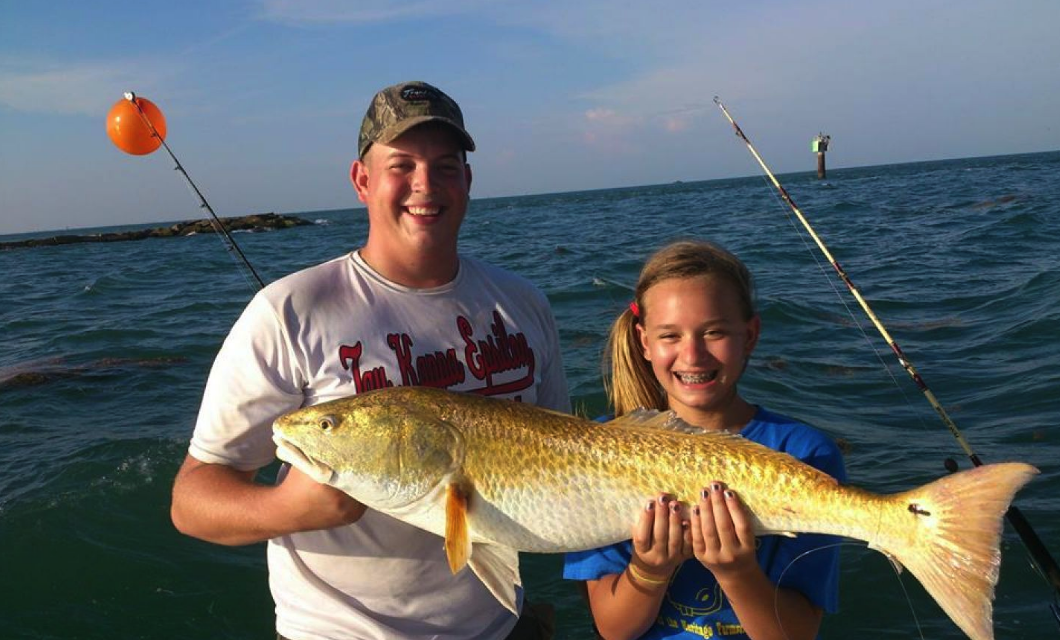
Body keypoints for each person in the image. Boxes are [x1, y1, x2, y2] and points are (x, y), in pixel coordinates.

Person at [170, 81, 570, 640]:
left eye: (446, 166)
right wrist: (289, 509)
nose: (425, 185)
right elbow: (192, 502)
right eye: (400, 165)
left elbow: (564, 450)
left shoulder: (523, 302)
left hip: (499, 624)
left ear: (469, 180)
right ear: (362, 181)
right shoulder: (288, 311)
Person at [563, 240, 846, 640]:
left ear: (750, 335)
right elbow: (612, 628)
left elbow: (797, 633)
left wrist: (738, 572)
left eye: (713, 332)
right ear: (644, 342)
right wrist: (649, 569)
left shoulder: (806, 452)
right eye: (670, 336)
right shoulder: (595, 449)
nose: (692, 356)